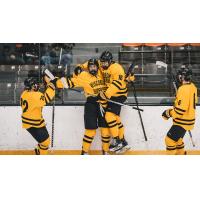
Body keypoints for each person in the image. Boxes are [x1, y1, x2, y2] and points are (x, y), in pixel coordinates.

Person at [74, 51, 133, 153]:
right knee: (116, 119)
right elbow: (91, 63)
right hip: (109, 97)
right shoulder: (100, 64)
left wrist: (106, 95)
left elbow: (117, 84)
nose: (103, 64)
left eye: (105, 62)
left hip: (119, 95)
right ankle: (123, 142)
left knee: (109, 117)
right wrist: (80, 66)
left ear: (110, 61)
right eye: (102, 62)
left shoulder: (117, 68)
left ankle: (118, 141)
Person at [57, 58, 110, 155]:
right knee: (90, 130)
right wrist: (56, 83)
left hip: (104, 104)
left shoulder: (103, 73)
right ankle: (84, 152)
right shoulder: (84, 75)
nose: (92, 68)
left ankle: (105, 151)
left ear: (98, 67)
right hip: (91, 104)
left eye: (94, 66)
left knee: (105, 130)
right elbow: (71, 82)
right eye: (90, 67)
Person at [162, 66, 198, 155]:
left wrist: (168, 113)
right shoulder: (193, 87)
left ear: (182, 77)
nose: (178, 77)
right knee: (178, 141)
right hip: (188, 120)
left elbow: (180, 111)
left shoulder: (183, 89)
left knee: (169, 141)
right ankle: (181, 154)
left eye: (179, 75)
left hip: (182, 122)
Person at [20, 74, 56, 155]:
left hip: (30, 122)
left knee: (43, 141)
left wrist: (48, 84)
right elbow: (46, 98)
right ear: (32, 87)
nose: (37, 85)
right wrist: (51, 85)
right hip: (34, 124)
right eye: (35, 84)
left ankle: (37, 150)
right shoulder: (35, 95)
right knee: (46, 142)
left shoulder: (24, 93)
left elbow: (38, 97)